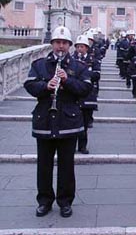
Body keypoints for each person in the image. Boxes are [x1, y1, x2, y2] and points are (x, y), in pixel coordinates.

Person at [24, 26, 92, 218]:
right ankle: (44, 200)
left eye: (64, 43)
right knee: (43, 164)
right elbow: (29, 85)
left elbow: (85, 89)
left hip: (68, 120)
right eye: (57, 42)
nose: (60, 46)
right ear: (52, 44)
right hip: (45, 119)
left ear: (69, 46)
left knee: (66, 165)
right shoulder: (40, 65)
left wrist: (67, 80)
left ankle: (65, 201)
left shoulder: (79, 67)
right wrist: (46, 86)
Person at [73, 35, 101, 154]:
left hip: (88, 94)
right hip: (74, 93)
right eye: (78, 47)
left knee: (85, 122)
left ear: (86, 48)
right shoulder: (71, 60)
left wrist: (82, 75)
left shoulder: (92, 60)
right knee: (73, 121)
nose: (80, 49)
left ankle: (82, 145)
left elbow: (96, 75)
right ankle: (72, 145)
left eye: (82, 47)